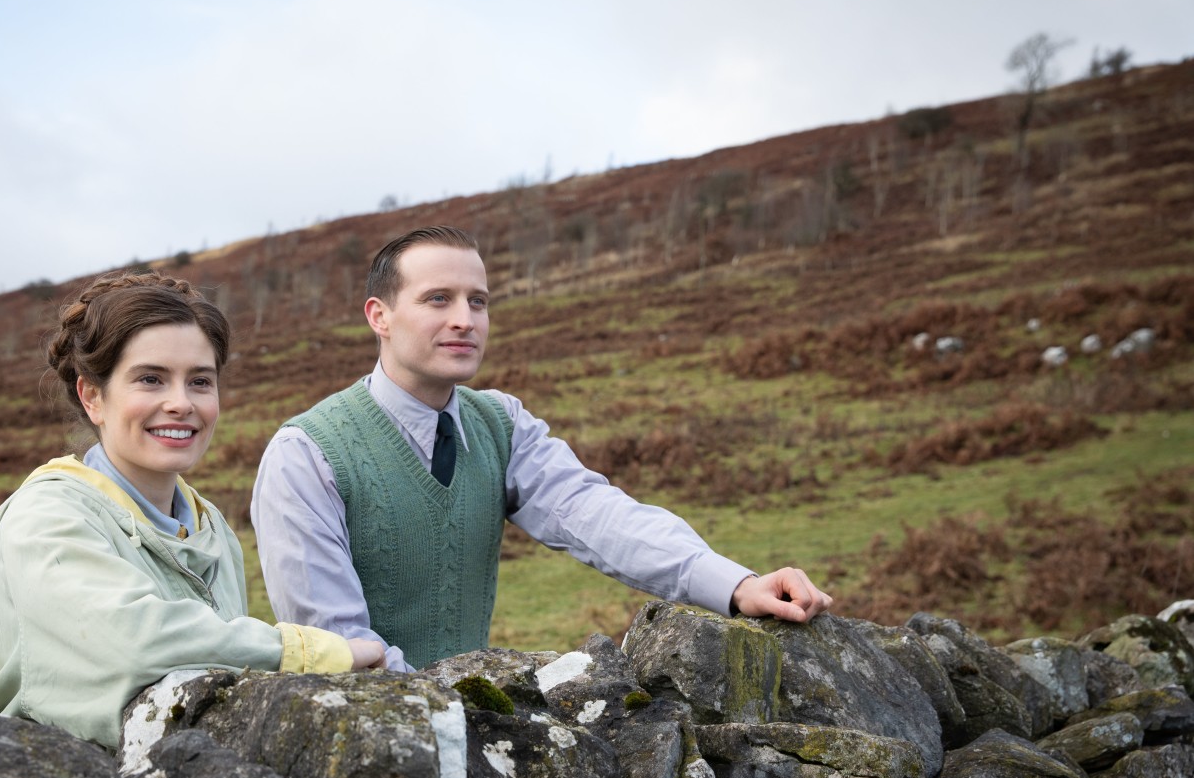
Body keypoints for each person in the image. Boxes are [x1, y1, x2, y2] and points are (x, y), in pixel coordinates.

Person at [252, 225, 832, 672]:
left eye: (477, 301)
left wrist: (733, 584)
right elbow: (335, 643)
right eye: (438, 299)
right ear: (379, 315)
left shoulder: (501, 423)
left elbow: (594, 515)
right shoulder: (306, 453)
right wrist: (448, 709)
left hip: (468, 727)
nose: (465, 320)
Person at [0, 271, 382, 749]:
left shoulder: (210, 524)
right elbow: (134, 640)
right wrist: (311, 652)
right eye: (150, 379)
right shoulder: (46, 515)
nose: (180, 403)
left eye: (200, 382)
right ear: (92, 396)